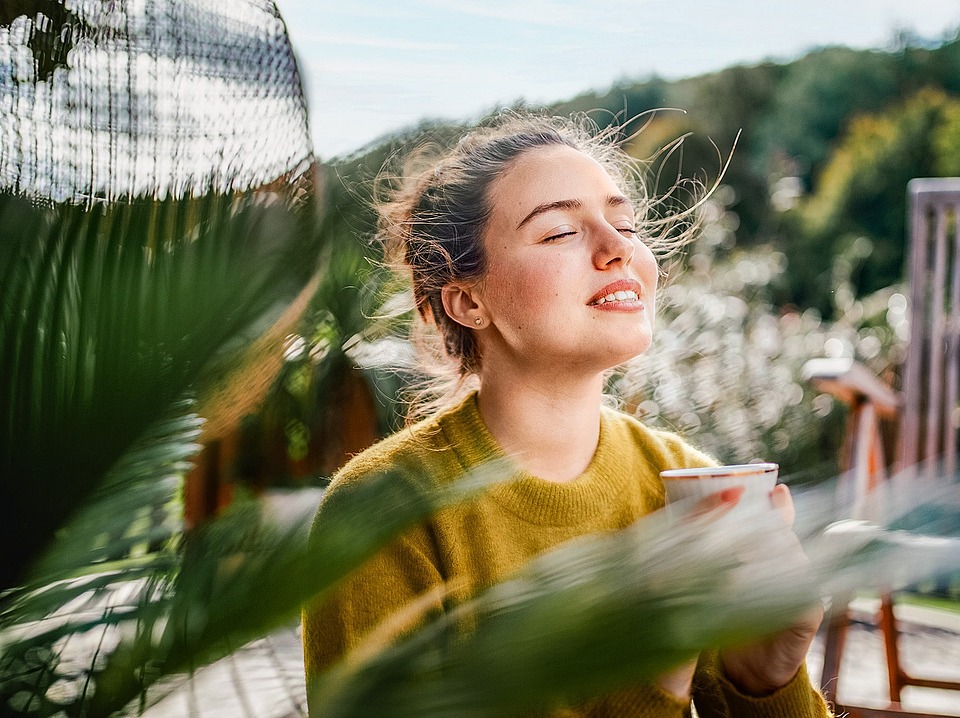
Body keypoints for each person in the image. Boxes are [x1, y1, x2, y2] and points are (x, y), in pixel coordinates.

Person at [302, 112, 830, 717]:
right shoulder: (384, 513)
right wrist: (647, 673)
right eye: (559, 233)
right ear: (469, 300)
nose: (619, 249)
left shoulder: (684, 481)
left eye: (625, 223)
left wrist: (768, 681)